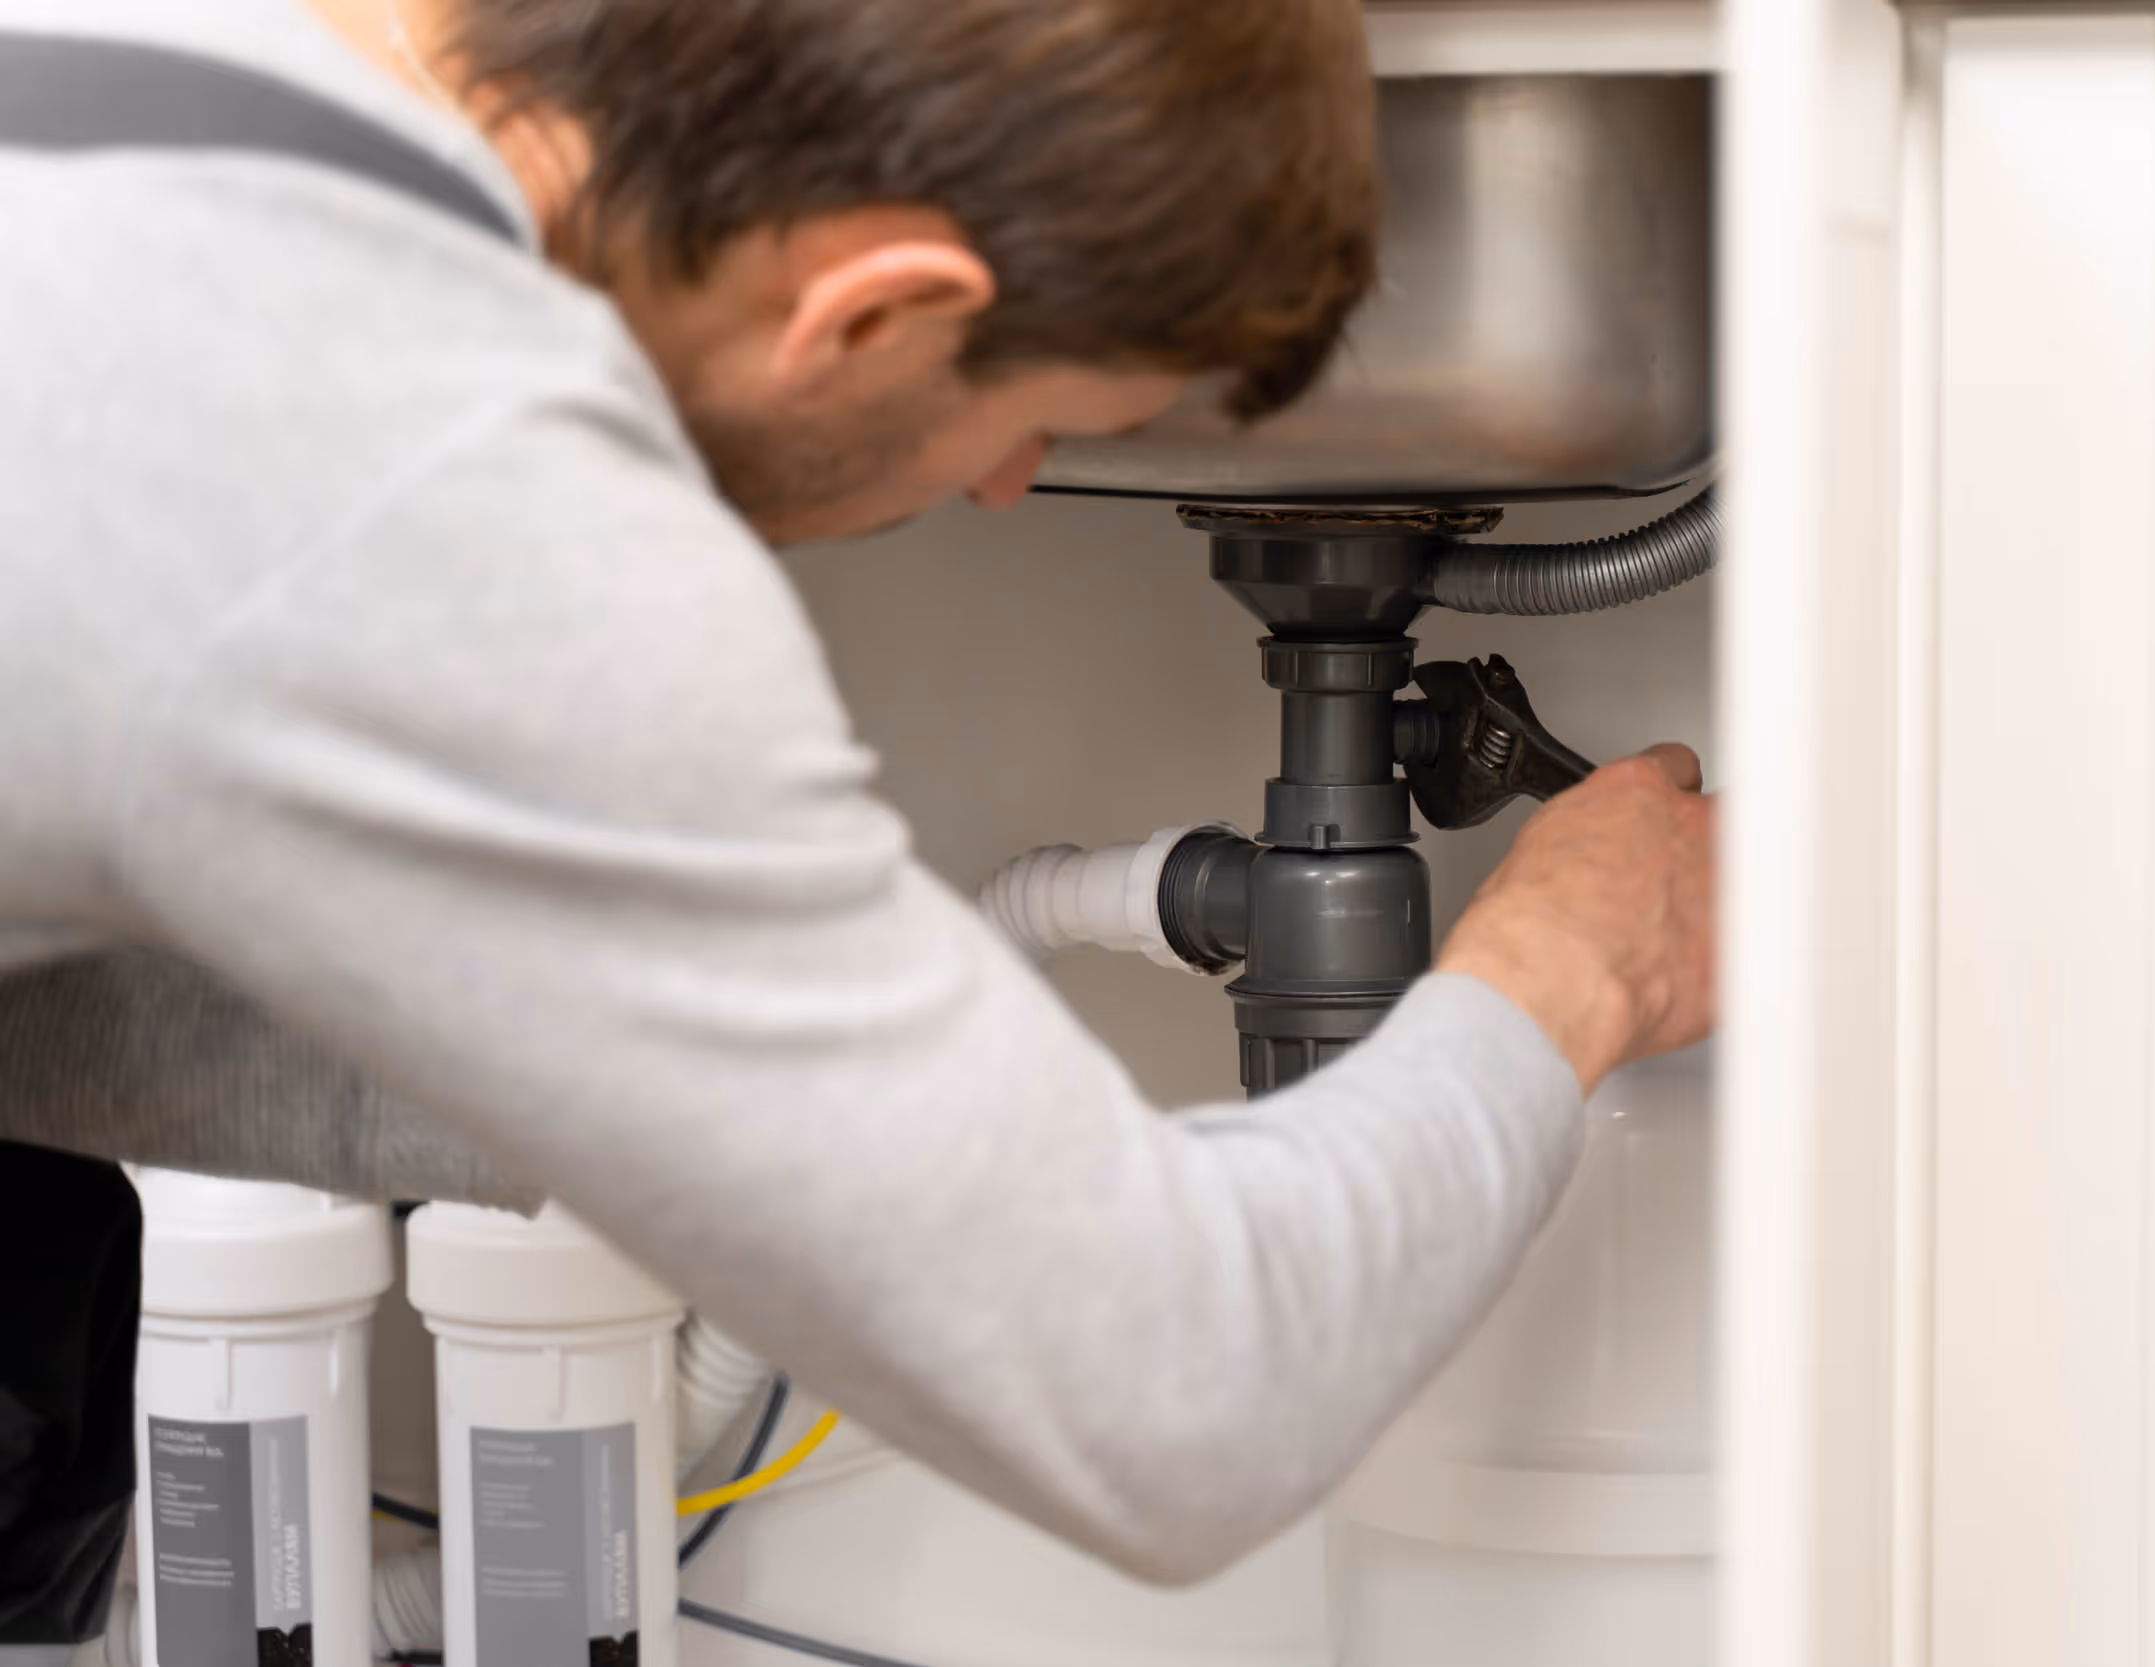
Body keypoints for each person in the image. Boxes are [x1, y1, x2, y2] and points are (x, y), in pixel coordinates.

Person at [0, 0, 1717, 1616]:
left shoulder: (174, 78)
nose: (1001, 483)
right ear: (873, 310)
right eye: (1029, 417)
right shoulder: (456, 486)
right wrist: (1571, 965)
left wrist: (721, 1099)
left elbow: (66, 994)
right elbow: (1178, 1391)